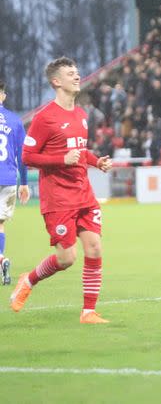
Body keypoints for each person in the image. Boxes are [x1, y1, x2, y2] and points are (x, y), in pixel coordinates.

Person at [12, 57, 113, 324]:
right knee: (66, 258)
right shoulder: (45, 117)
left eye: (77, 72)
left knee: (94, 248)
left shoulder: (81, 115)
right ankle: (29, 279)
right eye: (70, 73)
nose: (77, 76)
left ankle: (88, 312)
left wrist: (96, 161)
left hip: (84, 194)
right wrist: (60, 160)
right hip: (58, 199)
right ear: (56, 81)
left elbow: (79, 151)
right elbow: (28, 156)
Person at [0, 80, 30, 285]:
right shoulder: (15, 120)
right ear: (3, 95)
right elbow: (23, 155)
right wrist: (25, 183)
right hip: (9, 179)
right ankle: (1, 258)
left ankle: (1, 258)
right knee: (0, 223)